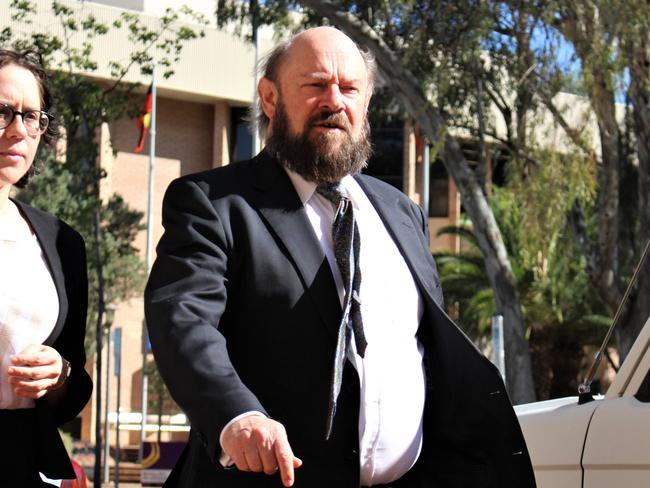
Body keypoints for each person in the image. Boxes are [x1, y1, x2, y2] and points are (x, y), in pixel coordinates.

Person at [145, 27, 536, 488]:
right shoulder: (214, 203)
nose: (335, 101)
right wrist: (237, 414)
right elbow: (183, 320)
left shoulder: (401, 212)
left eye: (350, 88)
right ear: (270, 99)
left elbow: (423, 349)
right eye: (315, 86)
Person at [0, 50, 92, 486]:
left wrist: (58, 374)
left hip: (23, 459)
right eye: (1, 112)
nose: (18, 130)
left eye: (31, 116)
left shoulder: (62, 242)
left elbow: (76, 385)